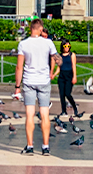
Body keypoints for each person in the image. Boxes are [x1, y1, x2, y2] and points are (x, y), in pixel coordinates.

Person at [12, 18, 59, 155]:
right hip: (44, 81)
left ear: (30, 29)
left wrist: (17, 86)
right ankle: (45, 147)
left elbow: (19, 67)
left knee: (29, 114)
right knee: (45, 114)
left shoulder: (23, 44)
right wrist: (58, 68)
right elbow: (57, 59)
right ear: (40, 29)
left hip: (29, 81)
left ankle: (30, 146)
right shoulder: (48, 43)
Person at [56, 40, 82, 118]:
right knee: (62, 95)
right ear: (62, 47)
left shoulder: (72, 55)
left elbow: (73, 65)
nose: (67, 48)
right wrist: (53, 74)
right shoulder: (59, 55)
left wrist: (74, 76)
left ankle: (74, 107)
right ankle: (64, 111)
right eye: (65, 46)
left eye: (68, 46)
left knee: (67, 93)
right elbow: (59, 67)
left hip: (69, 75)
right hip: (62, 76)